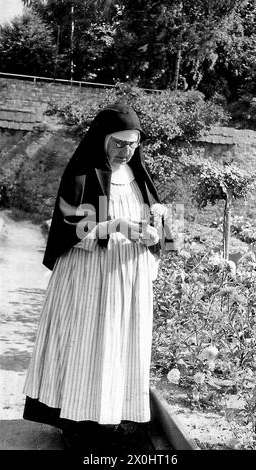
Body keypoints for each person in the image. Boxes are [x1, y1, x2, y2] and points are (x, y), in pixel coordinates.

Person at [22, 102, 175, 450]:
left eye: (133, 144)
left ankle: (116, 418)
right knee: (87, 346)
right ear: (102, 139)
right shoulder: (83, 173)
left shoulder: (139, 179)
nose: (126, 150)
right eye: (119, 143)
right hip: (89, 278)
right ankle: (79, 422)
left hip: (128, 281)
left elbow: (162, 230)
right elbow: (68, 227)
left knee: (121, 348)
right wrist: (117, 225)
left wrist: (156, 233)